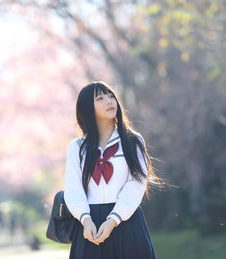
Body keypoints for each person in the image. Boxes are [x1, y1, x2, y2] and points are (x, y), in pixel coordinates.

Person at [64, 81, 162, 259]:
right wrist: (85, 220)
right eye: (100, 98)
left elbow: (136, 183)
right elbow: (73, 188)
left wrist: (113, 219)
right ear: (87, 107)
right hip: (89, 225)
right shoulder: (77, 148)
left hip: (127, 220)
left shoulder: (133, 141)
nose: (109, 101)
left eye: (111, 96)